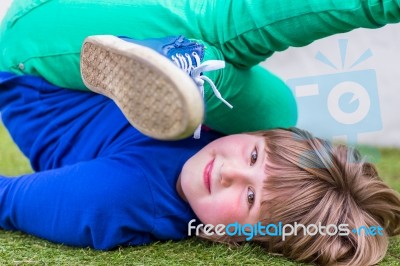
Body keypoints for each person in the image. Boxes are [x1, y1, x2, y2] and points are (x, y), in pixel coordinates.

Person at [1, 0, 400, 265]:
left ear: (233, 236)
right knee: (280, 108)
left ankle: (190, 62)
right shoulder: (249, 126)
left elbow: (7, 200)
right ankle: (191, 65)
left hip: (32, 58)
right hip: (117, 23)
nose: (229, 172)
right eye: (254, 158)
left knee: (215, 35)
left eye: (248, 197)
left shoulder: (112, 198)